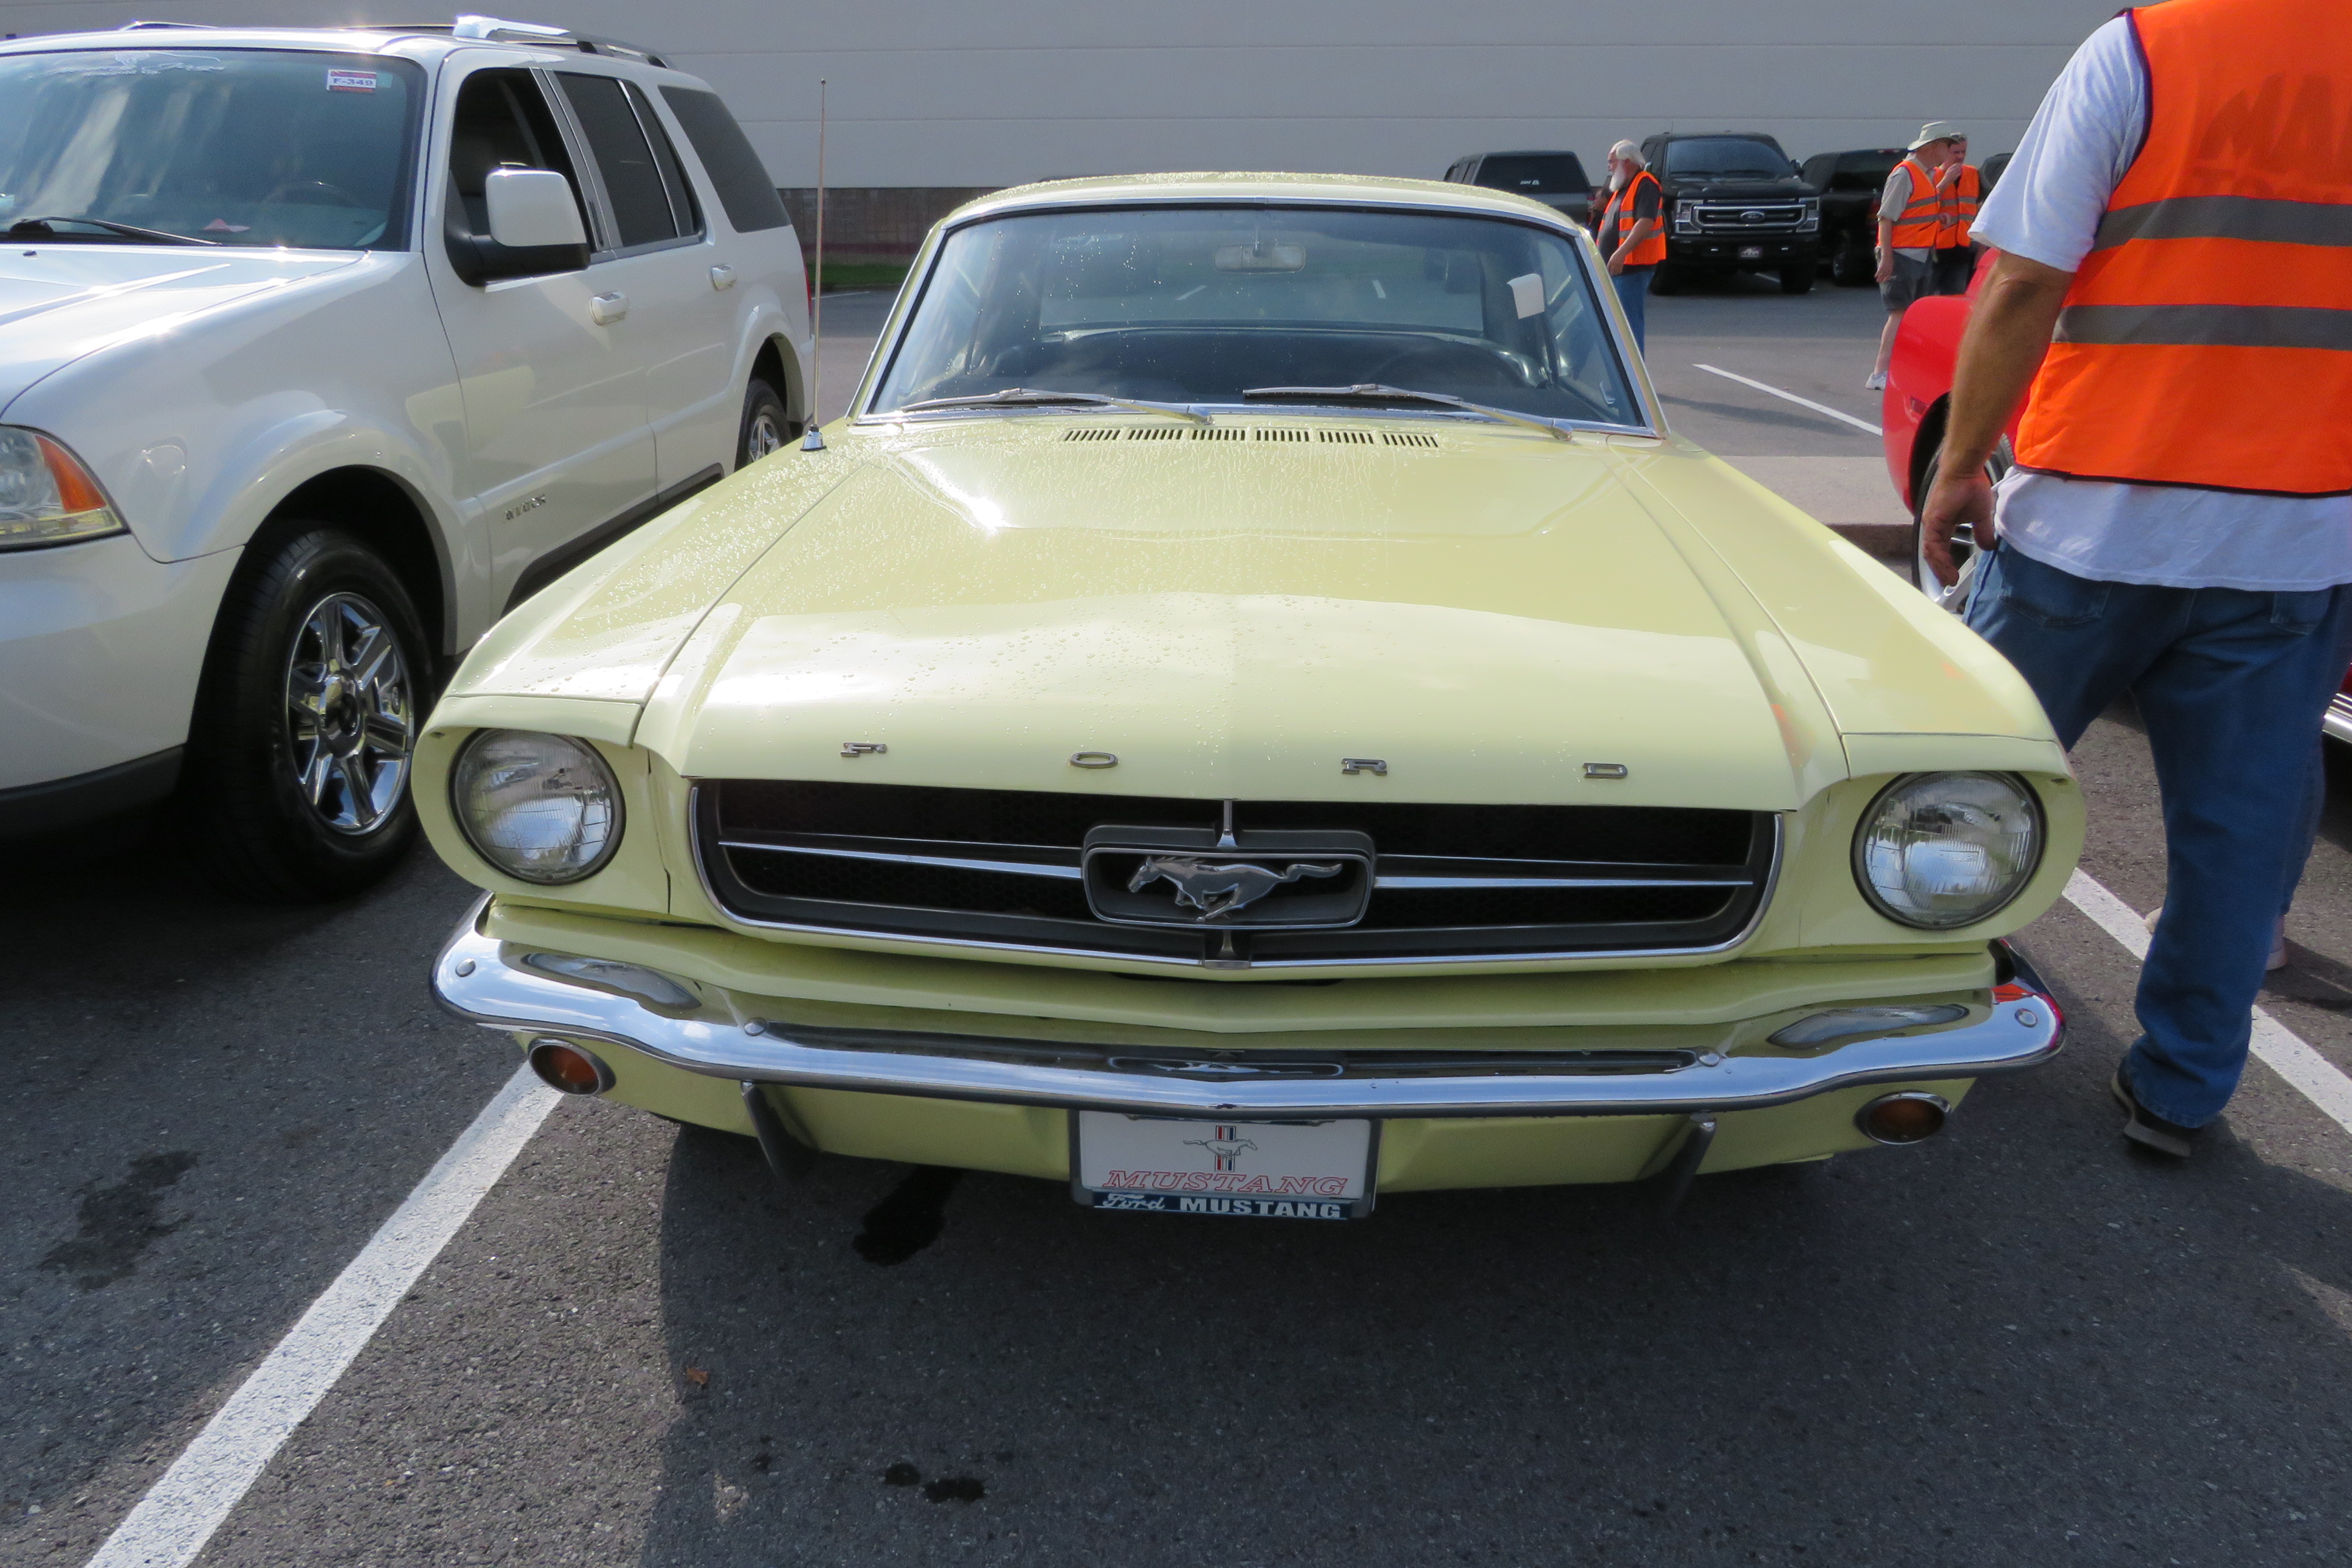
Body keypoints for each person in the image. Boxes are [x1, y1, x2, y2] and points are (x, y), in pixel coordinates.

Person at [1919, 0, 2352, 1159]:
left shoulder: (2144, 49)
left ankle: (1925, 995)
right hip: (2292, 540)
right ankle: (2179, 1088)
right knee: (2237, 834)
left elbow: (2020, 282)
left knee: (1952, 774)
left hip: (2089, 521)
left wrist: (1959, 462)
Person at [1866, 122, 1966, 390]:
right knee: (1899, 314)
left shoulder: (1926, 173)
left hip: (1920, 254)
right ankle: (1879, 373)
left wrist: (1938, 218)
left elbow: (1917, 210)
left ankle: (1899, 371)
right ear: (1933, 147)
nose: (1949, 152)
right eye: (1946, 146)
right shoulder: (1904, 174)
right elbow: (1886, 218)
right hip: (1902, 254)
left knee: (1911, 316)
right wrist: (1887, 258)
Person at [1595, 139, 1665, 353]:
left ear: (1627, 162)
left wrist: (1620, 253)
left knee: (1629, 327)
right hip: (1618, 268)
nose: (1609, 167)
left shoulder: (1645, 184)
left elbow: (1645, 222)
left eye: (1612, 162)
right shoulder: (1622, 187)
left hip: (1632, 268)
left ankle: (1634, 381)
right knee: (1617, 326)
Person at [1932, 133, 1981, 297]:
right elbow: (1923, 205)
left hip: (1962, 248)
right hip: (1935, 249)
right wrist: (1945, 182)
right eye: (1956, 152)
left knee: (1954, 298)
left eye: (1963, 152)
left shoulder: (1972, 174)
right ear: (1945, 152)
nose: (1960, 157)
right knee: (1925, 298)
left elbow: (1980, 209)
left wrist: (1981, 248)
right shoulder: (1932, 175)